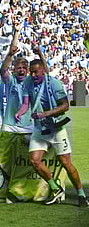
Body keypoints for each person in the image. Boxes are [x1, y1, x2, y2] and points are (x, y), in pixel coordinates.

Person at [15, 59, 88, 207]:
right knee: (35, 161)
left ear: (43, 71)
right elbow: (25, 104)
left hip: (56, 129)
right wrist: (20, 112)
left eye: (36, 72)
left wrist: (46, 114)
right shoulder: (27, 82)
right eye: (31, 72)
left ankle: (81, 194)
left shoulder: (54, 83)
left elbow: (65, 106)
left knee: (66, 163)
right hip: (39, 129)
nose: (33, 75)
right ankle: (55, 188)